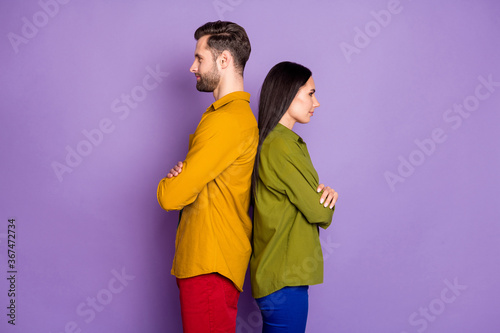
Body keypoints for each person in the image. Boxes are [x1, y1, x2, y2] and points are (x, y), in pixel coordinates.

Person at [156, 21, 257, 333]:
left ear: (223, 60)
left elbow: (171, 197)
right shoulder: (228, 118)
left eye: (199, 58)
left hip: (208, 264)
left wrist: (169, 182)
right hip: (210, 262)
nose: (192, 67)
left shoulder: (226, 121)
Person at [250, 61, 339, 333]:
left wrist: (323, 195)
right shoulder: (280, 145)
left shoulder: (280, 142)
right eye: (311, 93)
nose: (317, 102)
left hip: (279, 276)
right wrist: (327, 200)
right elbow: (319, 212)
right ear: (289, 93)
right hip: (283, 279)